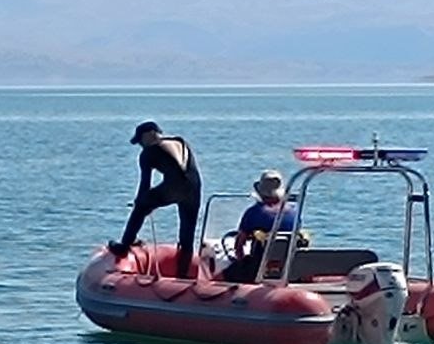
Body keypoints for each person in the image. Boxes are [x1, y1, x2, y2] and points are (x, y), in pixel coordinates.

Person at [108, 120, 201, 279]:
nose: (141, 146)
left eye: (140, 141)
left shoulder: (147, 154)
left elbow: (145, 184)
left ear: (150, 134)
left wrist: (141, 202)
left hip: (174, 187)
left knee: (141, 206)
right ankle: (183, 276)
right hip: (195, 187)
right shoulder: (181, 142)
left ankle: (124, 245)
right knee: (187, 234)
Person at [224, 169, 299, 283]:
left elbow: (239, 246)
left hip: (259, 269)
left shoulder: (253, 213)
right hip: (287, 268)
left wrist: (242, 262)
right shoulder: (293, 213)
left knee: (226, 273)